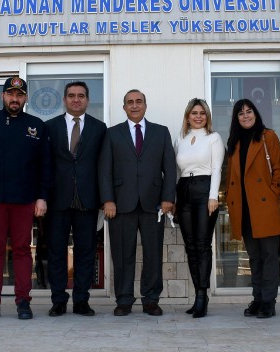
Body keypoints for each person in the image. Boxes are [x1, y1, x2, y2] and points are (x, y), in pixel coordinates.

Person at [0, 76, 51, 320]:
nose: (15, 99)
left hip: (25, 199)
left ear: (25, 98)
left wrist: (42, 197)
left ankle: (23, 302)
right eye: (10, 94)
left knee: (23, 250)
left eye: (19, 95)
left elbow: (45, 166)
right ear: (2, 96)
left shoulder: (36, 125)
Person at [99, 89, 176, 316]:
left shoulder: (161, 132)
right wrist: (108, 200)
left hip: (154, 205)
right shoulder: (112, 134)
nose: (134, 105)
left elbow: (170, 168)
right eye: (130, 102)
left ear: (145, 105)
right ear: (124, 107)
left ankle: (151, 299)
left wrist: (168, 198)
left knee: (153, 254)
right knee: (123, 255)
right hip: (121, 205)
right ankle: (124, 300)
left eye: (139, 101)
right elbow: (104, 170)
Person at [45, 81, 106, 317]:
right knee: (56, 252)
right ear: (64, 100)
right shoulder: (50, 127)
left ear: (87, 100)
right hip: (57, 199)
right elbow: (44, 164)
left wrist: (104, 198)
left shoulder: (100, 128)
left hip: (88, 200)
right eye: (71, 95)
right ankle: (58, 300)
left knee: (86, 252)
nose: (76, 99)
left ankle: (81, 300)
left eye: (81, 95)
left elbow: (104, 166)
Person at [225, 99, 280, 319]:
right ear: (236, 118)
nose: (246, 116)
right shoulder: (234, 142)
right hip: (244, 208)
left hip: (264, 205)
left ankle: (268, 301)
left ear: (256, 114)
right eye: (241, 113)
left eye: (249, 111)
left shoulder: (268, 136)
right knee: (254, 257)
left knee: (269, 256)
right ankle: (258, 298)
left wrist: (274, 193)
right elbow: (230, 176)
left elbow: (279, 168)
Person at [173, 98, 224, 318]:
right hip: (184, 190)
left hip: (205, 190)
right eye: (194, 113)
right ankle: (197, 295)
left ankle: (203, 295)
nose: (198, 116)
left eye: (202, 113)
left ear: (207, 116)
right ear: (187, 116)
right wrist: (175, 199)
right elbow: (176, 171)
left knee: (203, 245)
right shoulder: (180, 139)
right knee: (191, 246)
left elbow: (217, 168)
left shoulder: (213, 137)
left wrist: (213, 196)